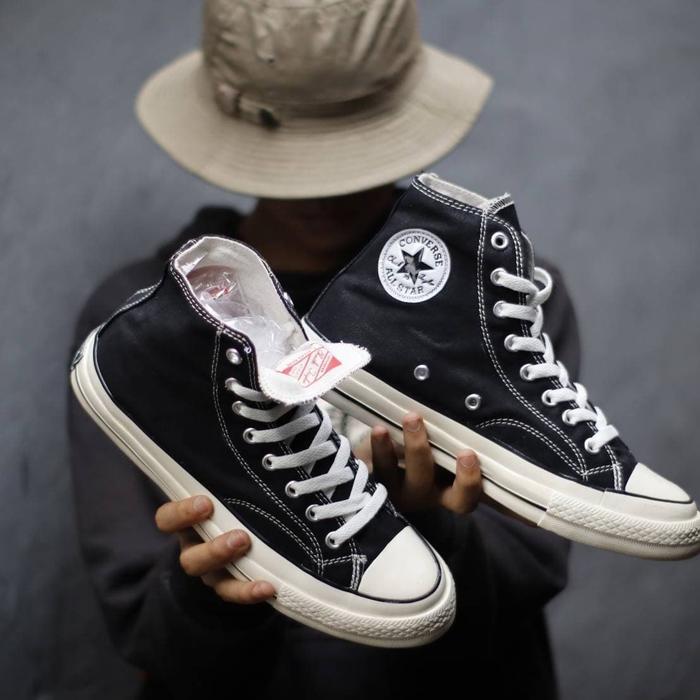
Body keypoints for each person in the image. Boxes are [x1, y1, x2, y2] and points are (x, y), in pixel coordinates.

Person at [69, 1, 578, 697]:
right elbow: (145, 633)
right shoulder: (136, 334)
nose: (323, 191)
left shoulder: (498, 297)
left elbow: (532, 571)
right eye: (292, 157)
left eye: (349, 146)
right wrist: (210, 588)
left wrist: (430, 522)